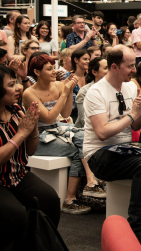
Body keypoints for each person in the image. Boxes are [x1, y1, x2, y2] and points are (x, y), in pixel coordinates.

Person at [83, 45, 141, 248]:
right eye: (130, 66)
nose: (134, 70)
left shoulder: (131, 87)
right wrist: (133, 113)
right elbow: (102, 133)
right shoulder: (95, 92)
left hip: (125, 150)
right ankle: (137, 227)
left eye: (135, 65)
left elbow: (135, 126)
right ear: (114, 67)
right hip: (98, 154)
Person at [23, 54, 103, 213]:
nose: (54, 72)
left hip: (57, 129)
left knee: (85, 136)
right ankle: (70, 198)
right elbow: (49, 117)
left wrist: (67, 90)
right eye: (49, 69)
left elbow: (65, 114)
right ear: (37, 72)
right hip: (37, 138)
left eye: (53, 67)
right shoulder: (29, 93)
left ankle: (90, 182)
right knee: (76, 150)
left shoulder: (59, 85)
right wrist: (66, 93)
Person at [0, 66, 62, 250]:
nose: (19, 87)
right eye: (12, 84)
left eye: (17, 82)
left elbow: (31, 151)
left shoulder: (16, 110)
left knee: (50, 200)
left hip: (18, 175)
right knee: (15, 215)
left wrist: (33, 127)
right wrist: (21, 134)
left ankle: (39, 244)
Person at [75, 56, 108, 128]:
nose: (109, 71)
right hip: (85, 131)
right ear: (94, 72)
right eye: (106, 68)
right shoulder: (84, 91)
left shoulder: (114, 88)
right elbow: (83, 120)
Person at [65, 49, 90, 122]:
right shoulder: (67, 77)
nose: (88, 61)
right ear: (76, 60)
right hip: (72, 116)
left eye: (89, 59)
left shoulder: (89, 78)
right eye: (85, 59)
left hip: (88, 114)